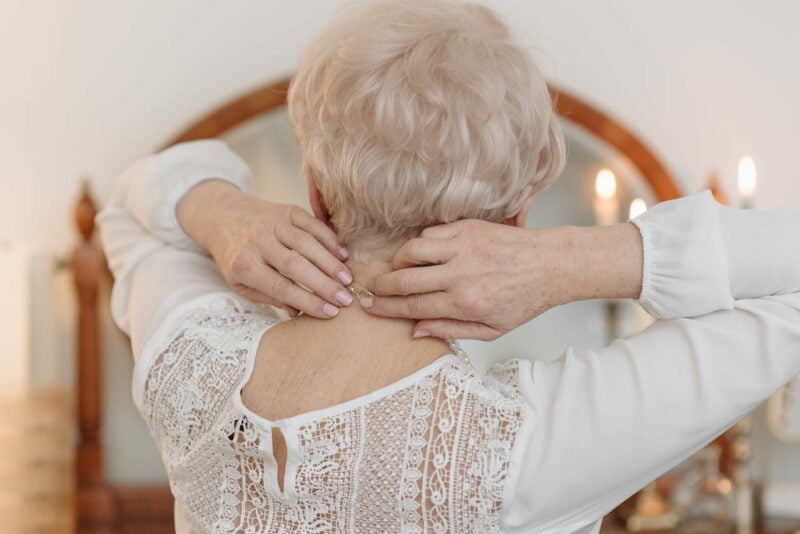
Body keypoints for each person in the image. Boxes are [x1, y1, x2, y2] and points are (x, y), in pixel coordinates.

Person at [97, 0, 800, 532]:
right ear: (519, 218)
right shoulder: (530, 447)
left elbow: (128, 206)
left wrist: (218, 212)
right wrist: (570, 261)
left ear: (316, 192)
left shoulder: (189, 362)